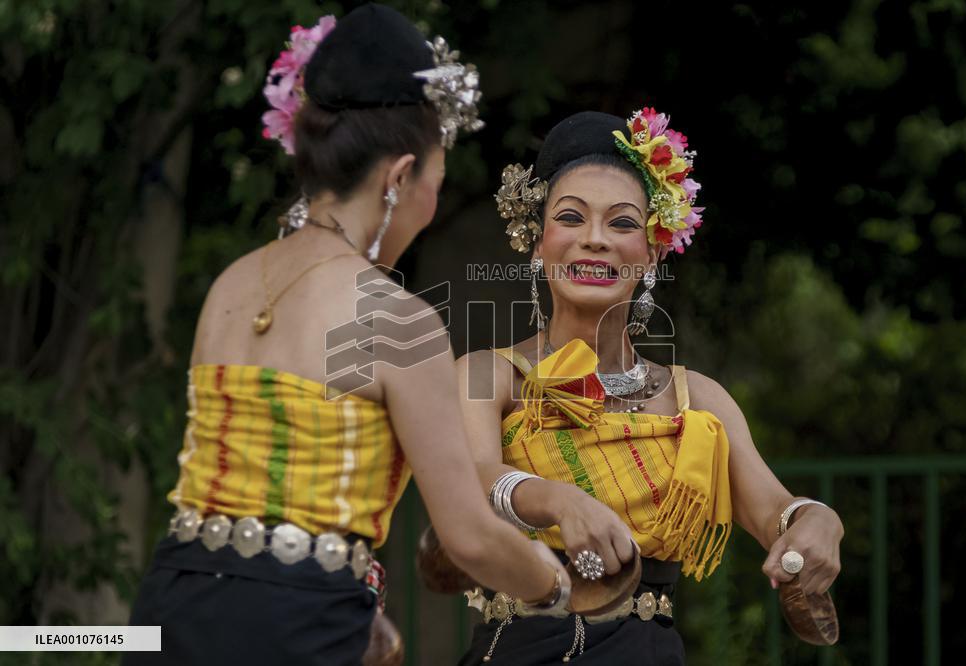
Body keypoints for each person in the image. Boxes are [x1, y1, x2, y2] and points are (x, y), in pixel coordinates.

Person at [125, 6, 568, 665]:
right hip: (295, 627)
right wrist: (555, 586)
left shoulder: (229, 287)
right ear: (399, 178)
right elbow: (469, 537)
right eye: (435, 183)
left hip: (171, 610)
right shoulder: (396, 319)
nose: (431, 203)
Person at [457, 110, 845, 664]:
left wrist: (818, 519)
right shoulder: (488, 375)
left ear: (654, 253)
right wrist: (558, 500)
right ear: (538, 243)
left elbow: (776, 511)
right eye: (570, 218)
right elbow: (469, 478)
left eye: (621, 223)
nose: (594, 240)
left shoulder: (696, 399)